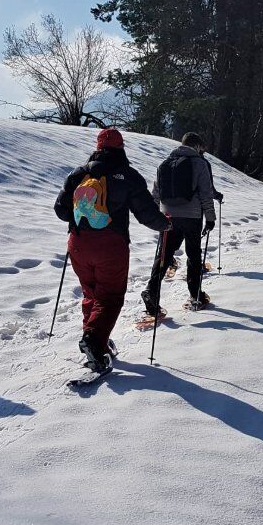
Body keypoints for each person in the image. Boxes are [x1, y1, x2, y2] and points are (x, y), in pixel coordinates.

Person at [55, 128, 171, 372]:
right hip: (110, 245)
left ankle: (96, 339)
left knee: (91, 293)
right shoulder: (127, 175)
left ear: (98, 147)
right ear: (121, 148)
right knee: (110, 296)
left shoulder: (79, 173)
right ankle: (94, 342)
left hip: (78, 244)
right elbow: (146, 214)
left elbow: (61, 210)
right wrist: (165, 224)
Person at [143, 132, 219, 314]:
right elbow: (206, 193)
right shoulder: (199, 163)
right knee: (193, 255)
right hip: (192, 216)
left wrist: (156, 216)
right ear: (196, 146)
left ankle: (151, 291)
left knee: (164, 255)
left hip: (168, 216)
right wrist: (210, 218)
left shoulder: (165, 163)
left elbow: (156, 193)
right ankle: (195, 294)